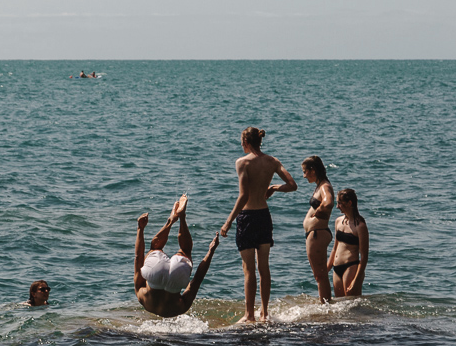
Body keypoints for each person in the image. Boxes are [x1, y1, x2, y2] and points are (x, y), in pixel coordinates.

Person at [219, 127, 297, 323]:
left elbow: (243, 195)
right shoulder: (272, 161)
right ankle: (264, 313)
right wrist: (273, 188)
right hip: (264, 216)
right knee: (264, 267)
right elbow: (292, 185)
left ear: (246, 143)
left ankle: (249, 315)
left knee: (248, 270)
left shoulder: (242, 162)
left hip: (247, 217)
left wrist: (228, 222)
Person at [135, 195, 222, 318]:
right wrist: (140, 229)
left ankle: (181, 217)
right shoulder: (142, 299)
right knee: (155, 248)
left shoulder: (180, 309)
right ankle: (171, 221)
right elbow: (139, 258)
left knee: (185, 251)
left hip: (176, 280)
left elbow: (197, 280)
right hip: (155, 273)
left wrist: (211, 251)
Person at [300, 156, 333, 304]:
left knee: (320, 275)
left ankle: (325, 305)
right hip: (315, 233)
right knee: (319, 275)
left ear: (313, 170)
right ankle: (324, 303)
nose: (304, 175)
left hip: (318, 234)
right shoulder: (320, 186)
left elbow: (329, 201)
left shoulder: (325, 186)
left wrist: (319, 210)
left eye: (305, 172)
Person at [329, 188, 369, 298]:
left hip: (351, 267)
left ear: (349, 203)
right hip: (336, 268)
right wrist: (326, 269)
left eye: (340, 203)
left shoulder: (360, 226)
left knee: (352, 304)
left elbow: (364, 256)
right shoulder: (338, 221)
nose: (337, 206)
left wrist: (356, 279)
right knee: (339, 305)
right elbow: (335, 247)